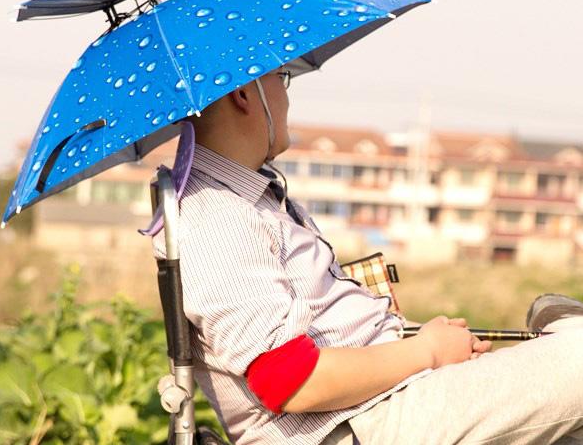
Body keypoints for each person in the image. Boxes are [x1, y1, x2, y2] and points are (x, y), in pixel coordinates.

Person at [153, 69, 583, 445]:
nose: (287, 96)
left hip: (377, 407)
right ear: (243, 93)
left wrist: (411, 338)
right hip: (356, 425)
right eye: (280, 78)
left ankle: (564, 330)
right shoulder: (216, 216)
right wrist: (429, 351)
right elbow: (288, 380)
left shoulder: (250, 199)